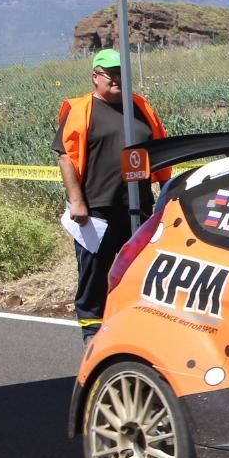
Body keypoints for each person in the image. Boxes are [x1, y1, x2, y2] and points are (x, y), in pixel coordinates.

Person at [54, 48, 168, 340]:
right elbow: (66, 157)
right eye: (111, 74)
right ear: (96, 77)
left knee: (141, 269)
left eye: (122, 73)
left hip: (139, 205)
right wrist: (76, 201)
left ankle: (135, 329)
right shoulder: (80, 109)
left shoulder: (141, 106)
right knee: (94, 274)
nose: (118, 79)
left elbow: (160, 149)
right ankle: (92, 334)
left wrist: (165, 190)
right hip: (96, 209)